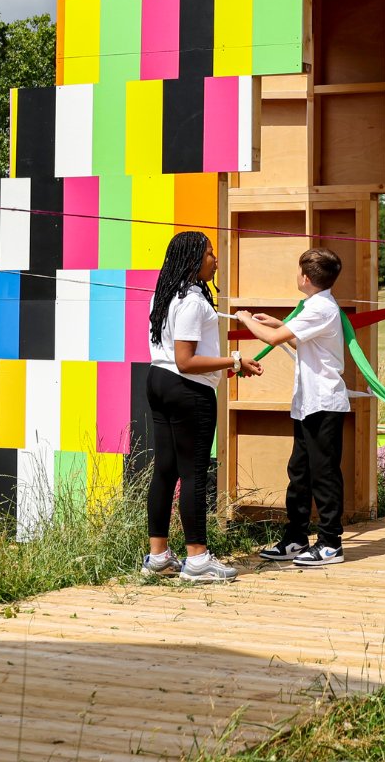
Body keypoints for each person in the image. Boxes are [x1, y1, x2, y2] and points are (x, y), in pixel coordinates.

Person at [143, 230, 262, 582]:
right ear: (194, 259)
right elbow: (186, 361)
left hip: (158, 382)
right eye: (210, 253)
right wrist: (234, 362)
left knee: (165, 470)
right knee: (193, 471)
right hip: (186, 389)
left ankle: (159, 557)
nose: (215, 259)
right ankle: (197, 560)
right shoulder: (194, 302)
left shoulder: (165, 295)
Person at [235, 248, 348, 567]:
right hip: (308, 404)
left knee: (323, 473)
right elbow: (297, 339)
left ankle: (330, 543)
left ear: (307, 278)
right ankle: (296, 538)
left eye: (299, 271)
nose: (297, 276)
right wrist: (279, 323)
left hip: (324, 403)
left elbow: (271, 339)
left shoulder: (320, 307)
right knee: (299, 472)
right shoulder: (316, 306)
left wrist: (246, 320)